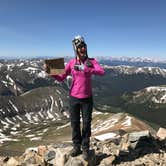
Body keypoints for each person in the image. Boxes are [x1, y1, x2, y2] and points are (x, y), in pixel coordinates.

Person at [48, 35, 105, 160]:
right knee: (74, 124)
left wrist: (87, 69)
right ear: (76, 49)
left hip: (87, 98)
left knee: (86, 124)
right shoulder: (71, 63)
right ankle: (76, 146)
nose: (82, 49)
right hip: (74, 97)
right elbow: (62, 77)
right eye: (80, 47)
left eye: (84, 46)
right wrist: (51, 72)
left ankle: (85, 148)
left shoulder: (92, 61)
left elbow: (101, 72)